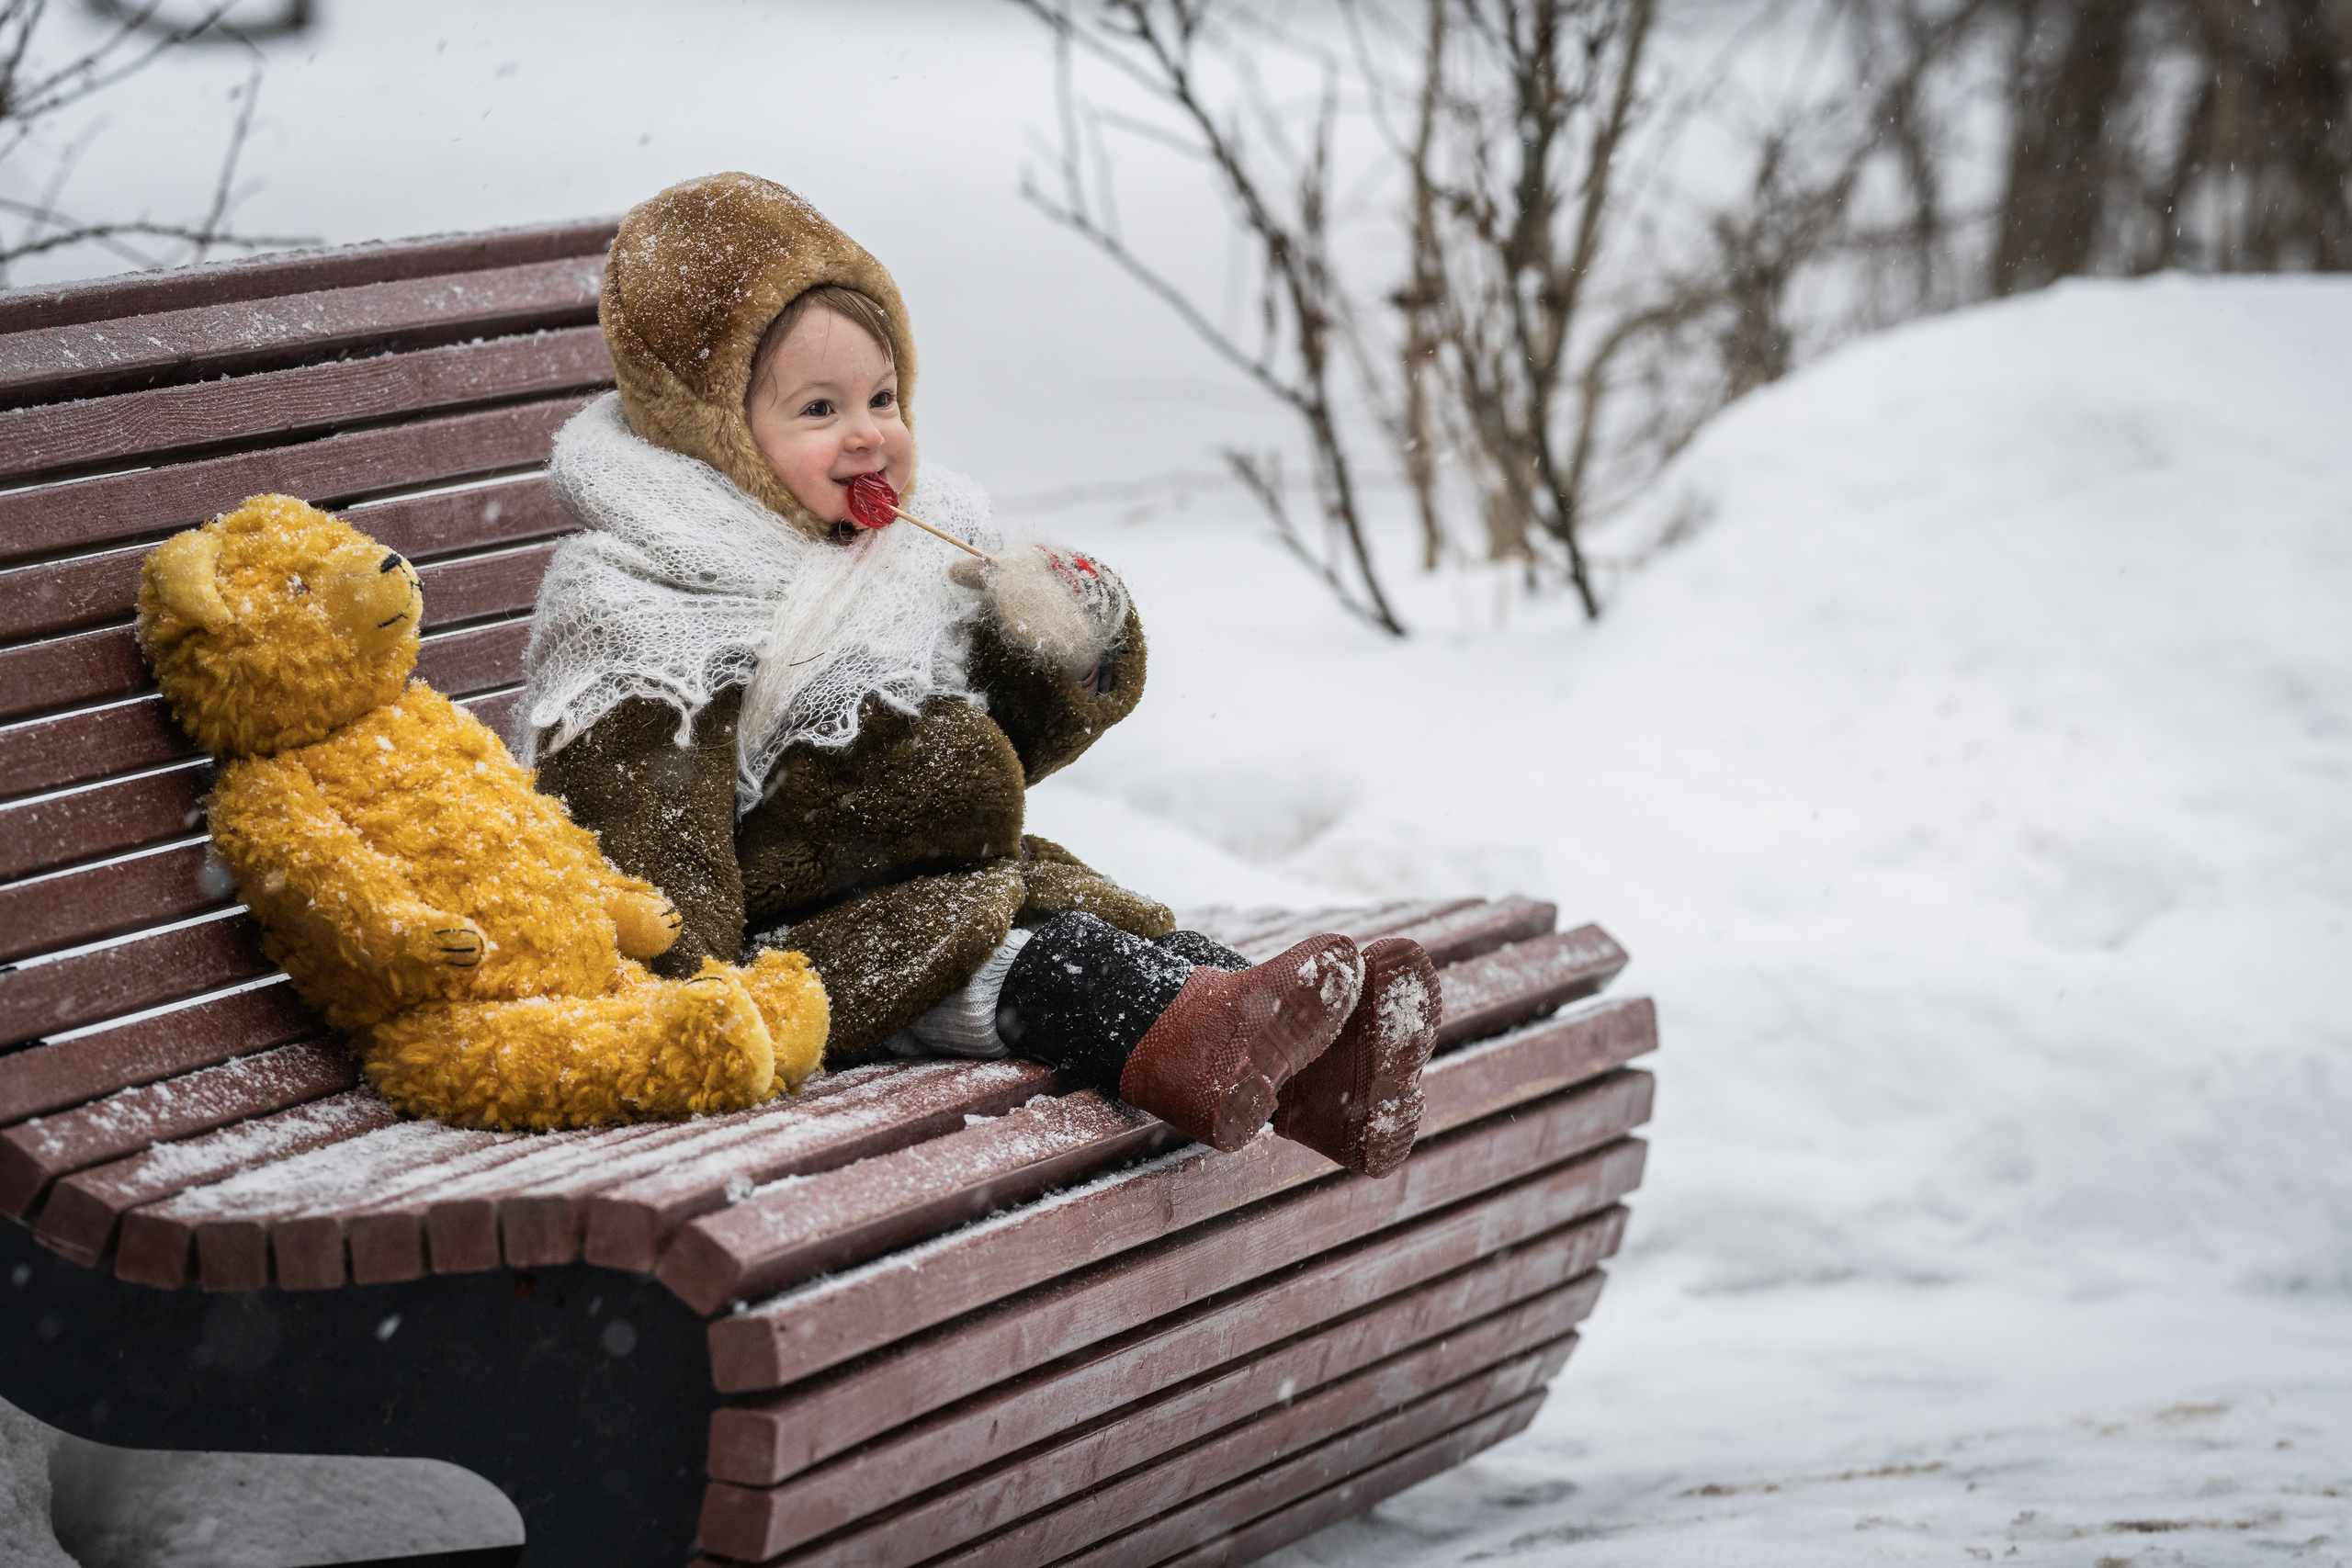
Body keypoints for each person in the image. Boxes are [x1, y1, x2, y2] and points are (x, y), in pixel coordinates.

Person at [516, 172, 1439, 1176]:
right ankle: (1212, 1050)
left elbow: (1002, 741)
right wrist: (701, 1009)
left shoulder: (909, 550)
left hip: (960, 892)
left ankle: (1331, 1074)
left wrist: (1058, 636)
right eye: (819, 409)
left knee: (1138, 941)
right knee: (1065, 969)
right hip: (814, 957)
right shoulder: (648, 598)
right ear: (716, 434)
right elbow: (636, 835)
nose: (868, 431)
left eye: (882, 397)